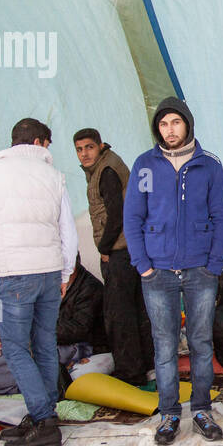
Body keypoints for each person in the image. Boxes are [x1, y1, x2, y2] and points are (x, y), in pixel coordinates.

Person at [123, 98, 223, 446]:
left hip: (200, 269)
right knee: (165, 345)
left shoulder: (209, 166)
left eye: (176, 123)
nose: (169, 130)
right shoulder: (144, 165)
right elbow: (133, 218)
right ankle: (169, 415)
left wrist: (214, 264)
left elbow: (221, 218)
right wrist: (143, 265)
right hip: (157, 272)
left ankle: (201, 409)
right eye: (163, 124)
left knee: (201, 342)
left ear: (188, 125)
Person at [0, 118, 78, 446]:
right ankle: (44, 416)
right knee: (45, 344)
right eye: (47, 144)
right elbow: (68, 230)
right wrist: (65, 274)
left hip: (13, 276)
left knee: (15, 348)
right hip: (49, 273)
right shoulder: (54, 176)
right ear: (37, 142)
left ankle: (43, 418)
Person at [74, 128, 153, 386]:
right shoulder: (106, 166)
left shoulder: (106, 171)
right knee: (136, 310)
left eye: (89, 147)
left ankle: (130, 372)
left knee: (120, 315)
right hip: (131, 249)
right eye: (79, 149)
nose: (84, 154)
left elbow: (117, 213)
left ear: (100, 146)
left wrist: (105, 248)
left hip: (120, 251)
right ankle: (147, 365)